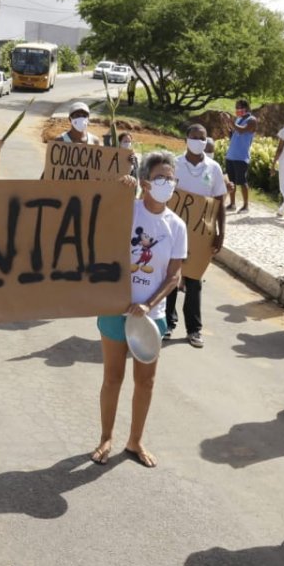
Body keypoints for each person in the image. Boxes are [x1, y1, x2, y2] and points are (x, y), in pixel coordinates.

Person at [91, 151, 186, 468]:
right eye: (160, 177)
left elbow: (174, 276)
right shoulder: (126, 210)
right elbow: (97, 223)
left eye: (171, 178)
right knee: (112, 378)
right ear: (145, 182)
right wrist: (118, 188)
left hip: (150, 318)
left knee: (145, 381)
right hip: (114, 310)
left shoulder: (177, 226)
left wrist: (148, 304)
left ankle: (135, 441)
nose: (167, 183)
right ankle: (106, 438)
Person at [165, 124, 226, 348]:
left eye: (203, 138)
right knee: (170, 276)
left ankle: (194, 329)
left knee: (194, 281)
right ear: (186, 139)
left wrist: (221, 233)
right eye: (194, 137)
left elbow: (219, 203)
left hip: (200, 235)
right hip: (173, 230)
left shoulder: (214, 168)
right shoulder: (173, 164)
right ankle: (167, 324)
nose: (198, 141)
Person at [225, 99, 256, 213]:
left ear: (246, 108)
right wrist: (226, 123)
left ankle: (245, 206)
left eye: (239, 107)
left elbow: (242, 131)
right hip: (231, 155)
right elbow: (232, 135)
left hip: (241, 156)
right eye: (236, 108)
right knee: (231, 182)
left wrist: (231, 122)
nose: (237, 110)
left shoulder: (252, 120)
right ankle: (232, 204)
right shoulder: (238, 119)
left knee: (242, 182)